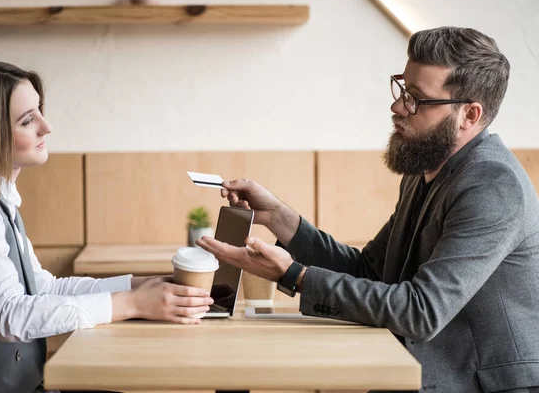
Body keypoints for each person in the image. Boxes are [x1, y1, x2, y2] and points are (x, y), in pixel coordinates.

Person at [196, 26, 539, 393]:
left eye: (416, 99)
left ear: (469, 115)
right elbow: (371, 271)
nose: (397, 106)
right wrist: (282, 219)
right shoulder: (426, 169)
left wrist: (296, 275)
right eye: (402, 88)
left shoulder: (492, 184)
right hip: (414, 371)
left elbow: (421, 312)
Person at [0, 61, 213, 393]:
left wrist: (138, 286)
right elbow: (8, 315)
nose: (47, 126)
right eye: (28, 120)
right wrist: (131, 304)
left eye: (40, 112)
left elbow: (42, 287)